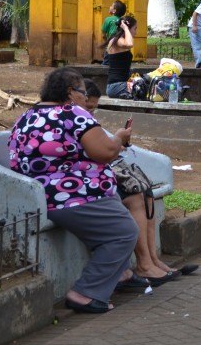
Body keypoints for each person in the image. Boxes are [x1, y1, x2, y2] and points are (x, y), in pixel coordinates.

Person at [8, 68, 140, 314]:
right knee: (124, 232)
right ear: (70, 93)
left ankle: (121, 274)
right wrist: (120, 138)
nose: (85, 98)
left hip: (38, 193)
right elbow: (104, 152)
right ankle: (85, 293)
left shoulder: (27, 115)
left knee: (116, 224)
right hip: (72, 195)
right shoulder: (72, 113)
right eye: (82, 92)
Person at [83, 81, 194, 283]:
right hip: (88, 179)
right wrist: (116, 142)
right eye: (88, 107)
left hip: (98, 171)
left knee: (145, 190)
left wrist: (117, 144)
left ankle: (153, 259)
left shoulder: (83, 120)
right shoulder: (71, 120)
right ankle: (144, 264)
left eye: (93, 108)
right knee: (135, 196)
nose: (90, 113)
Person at [104, 15, 137, 98]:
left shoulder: (120, 40)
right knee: (144, 88)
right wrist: (126, 28)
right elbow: (130, 44)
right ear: (128, 28)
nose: (136, 32)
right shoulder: (117, 40)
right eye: (135, 28)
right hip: (116, 86)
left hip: (121, 85)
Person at [100, 0, 126, 65]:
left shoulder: (108, 20)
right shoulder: (123, 21)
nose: (110, 6)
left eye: (111, 6)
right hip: (121, 48)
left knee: (105, 65)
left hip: (111, 47)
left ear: (114, 11)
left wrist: (107, 42)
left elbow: (103, 35)